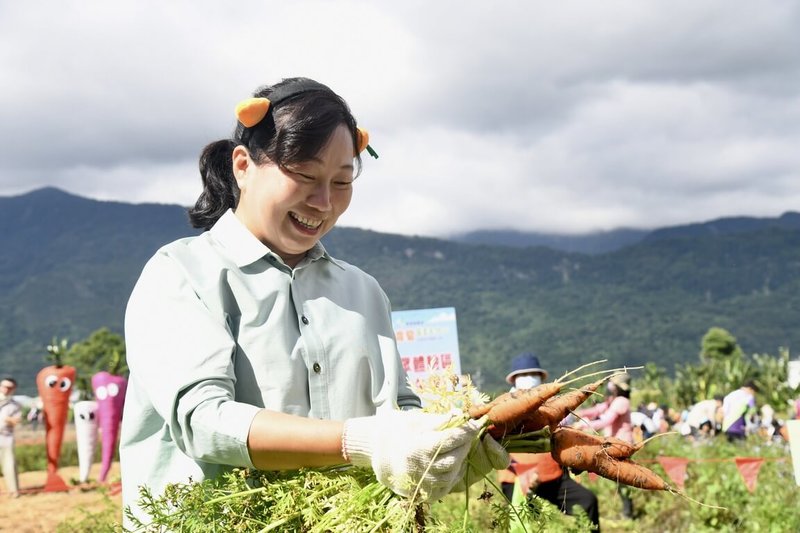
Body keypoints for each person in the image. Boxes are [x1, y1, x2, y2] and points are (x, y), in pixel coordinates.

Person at [119, 77, 508, 527]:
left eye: (342, 181)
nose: (323, 202)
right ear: (243, 165)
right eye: (305, 175)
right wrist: (360, 441)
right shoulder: (182, 274)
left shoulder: (362, 291)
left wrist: (446, 448)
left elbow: (399, 414)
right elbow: (203, 419)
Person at [498, 353, 600, 531]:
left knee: (587, 501)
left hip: (553, 477)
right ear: (514, 380)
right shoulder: (503, 409)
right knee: (525, 524)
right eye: (523, 375)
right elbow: (495, 447)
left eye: (532, 374)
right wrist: (521, 474)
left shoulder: (552, 407)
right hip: (518, 479)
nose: (529, 379)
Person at [574, 373, 634, 519]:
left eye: (612, 384)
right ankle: (627, 512)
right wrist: (575, 412)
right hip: (613, 444)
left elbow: (606, 420)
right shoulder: (612, 401)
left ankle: (628, 513)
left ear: (616, 386)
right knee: (620, 480)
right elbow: (596, 411)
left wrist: (584, 425)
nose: (609, 386)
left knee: (622, 480)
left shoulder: (621, 401)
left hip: (621, 445)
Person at [0, 377, 22, 498]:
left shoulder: (15, 404)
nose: (5, 389)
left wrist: (7, 419)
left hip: (5, 436)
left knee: (9, 463)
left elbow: (16, 421)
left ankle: (14, 491)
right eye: (3, 386)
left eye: (9, 387)